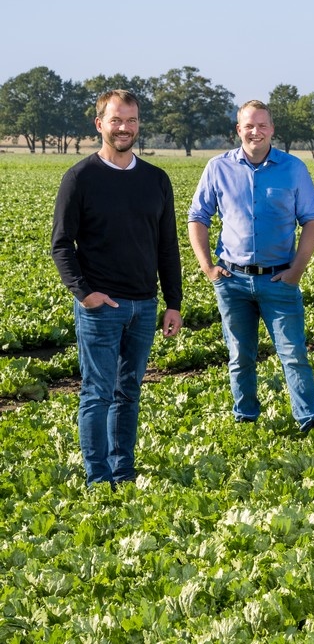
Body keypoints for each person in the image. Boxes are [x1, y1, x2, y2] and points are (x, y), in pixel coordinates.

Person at [51, 89, 183, 486]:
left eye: (132, 120)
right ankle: (97, 477)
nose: (125, 128)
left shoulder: (156, 180)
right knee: (97, 393)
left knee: (129, 393)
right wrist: (85, 293)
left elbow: (167, 246)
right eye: (116, 120)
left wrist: (172, 302)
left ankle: (123, 472)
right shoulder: (79, 178)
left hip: (144, 306)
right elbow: (61, 244)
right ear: (100, 125)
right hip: (101, 307)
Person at [187, 100, 314, 433]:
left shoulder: (293, 168)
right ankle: (245, 417)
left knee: (292, 353)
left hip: (279, 279)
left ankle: (309, 419)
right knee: (239, 355)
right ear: (239, 129)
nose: (256, 131)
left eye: (262, 125)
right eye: (249, 125)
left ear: (272, 129)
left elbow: (311, 220)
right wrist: (207, 267)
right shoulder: (217, 167)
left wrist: (296, 271)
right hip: (232, 279)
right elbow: (198, 217)